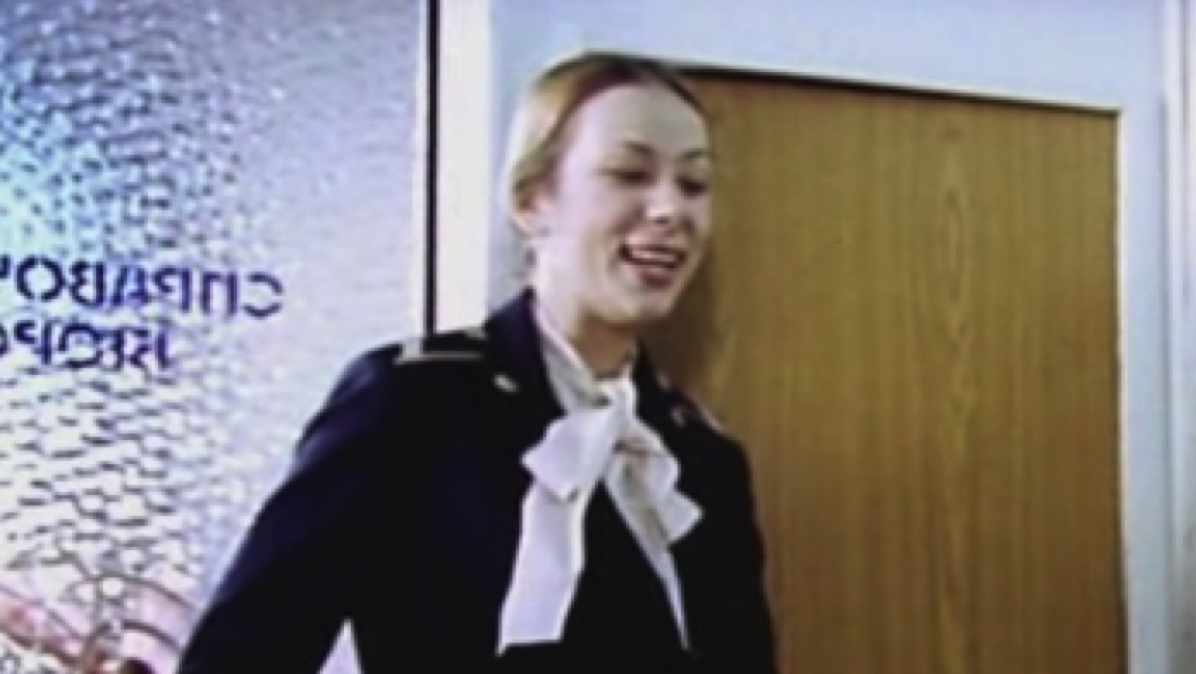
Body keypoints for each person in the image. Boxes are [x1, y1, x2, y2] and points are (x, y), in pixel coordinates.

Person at [174, 52, 777, 674]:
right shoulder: (414, 404)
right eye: (629, 174)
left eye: (694, 184)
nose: (671, 210)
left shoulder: (701, 458)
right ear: (531, 201)